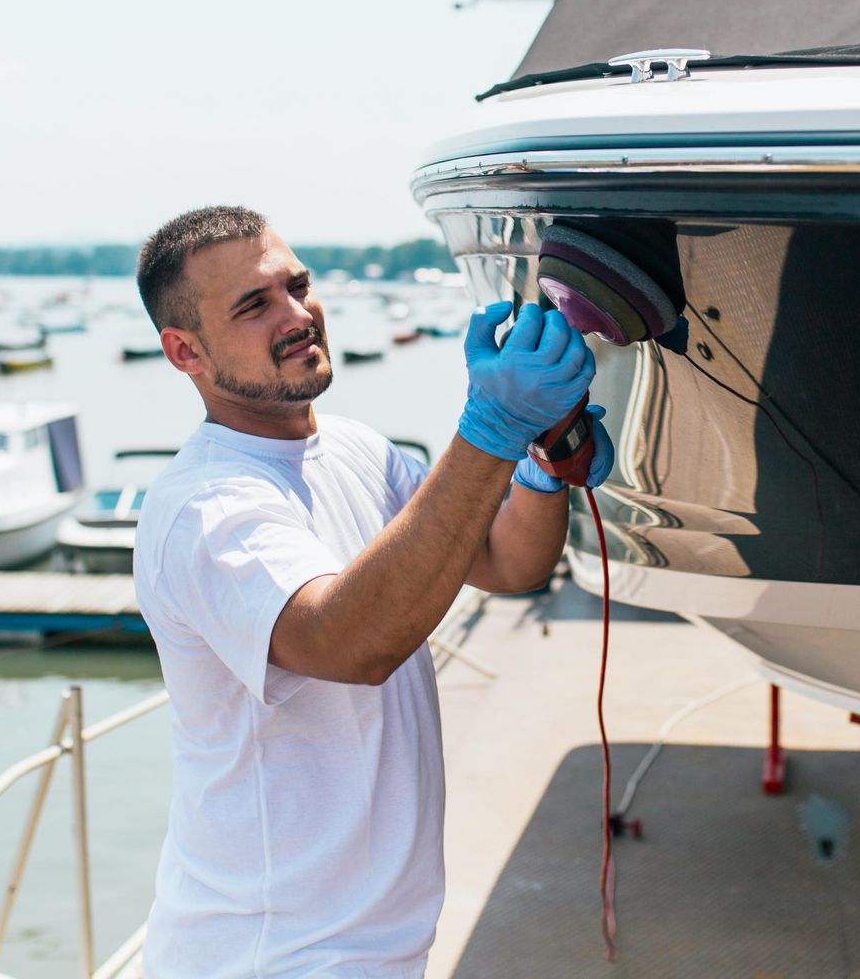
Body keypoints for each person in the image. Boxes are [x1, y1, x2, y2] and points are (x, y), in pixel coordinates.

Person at [130, 205, 615, 979]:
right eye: (254, 306)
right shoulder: (208, 506)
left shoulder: (355, 447)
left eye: (298, 286)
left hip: (371, 945)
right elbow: (350, 645)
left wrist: (543, 455)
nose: (297, 315)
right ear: (185, 351)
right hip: (270, 957)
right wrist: (487, 429)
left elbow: (503, 562)